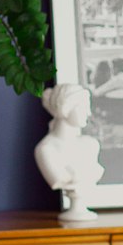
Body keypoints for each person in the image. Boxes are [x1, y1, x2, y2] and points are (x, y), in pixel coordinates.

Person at [34, 83, 105, 221]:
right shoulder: (46, 150)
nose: (88, 113)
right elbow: (59, 179)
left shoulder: (90, 145)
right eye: (83, 107)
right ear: (65, 108)